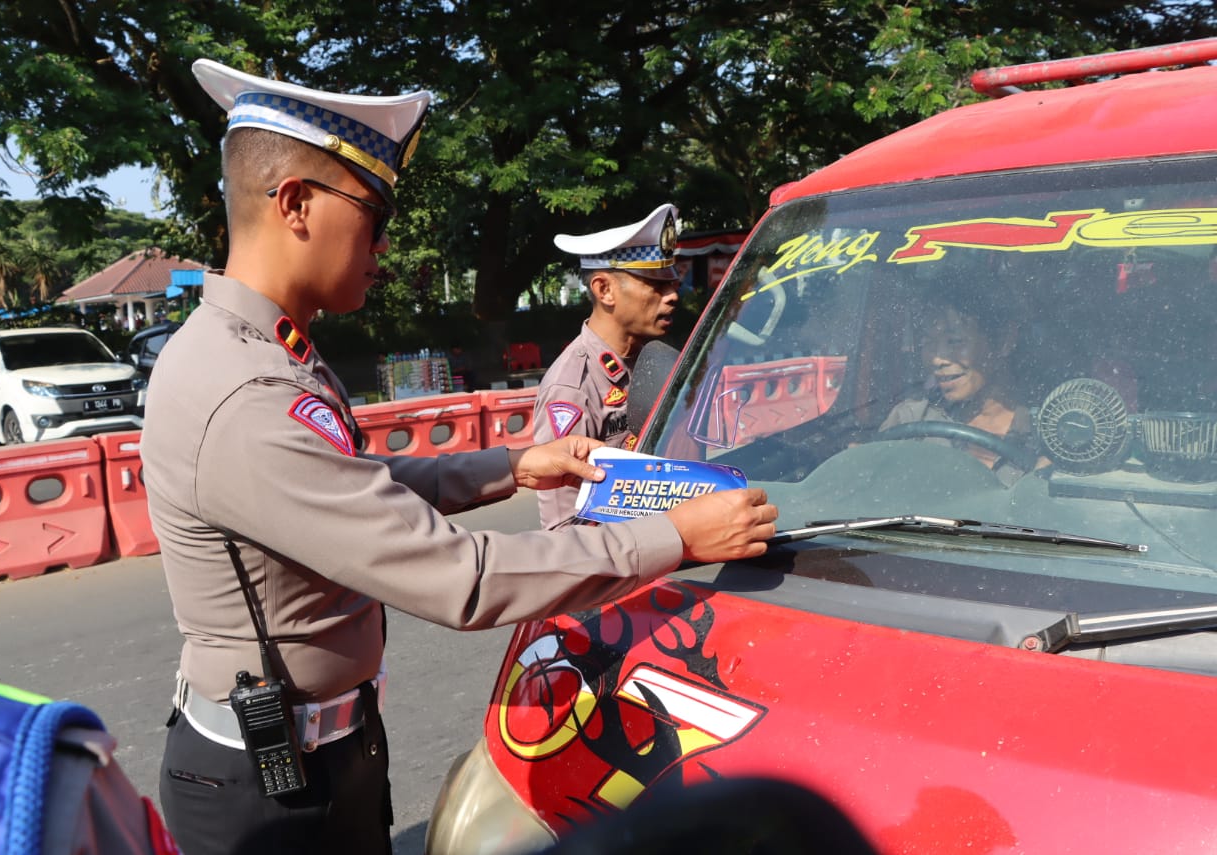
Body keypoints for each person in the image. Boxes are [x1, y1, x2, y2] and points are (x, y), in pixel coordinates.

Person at [140, 59, 778, 855]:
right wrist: (676, 537)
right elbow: (460, 579)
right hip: (266, 785)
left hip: (323, 752)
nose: (383, 243)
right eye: (371, 214)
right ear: (295, 204)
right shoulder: (240, 391)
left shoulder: (273, 353)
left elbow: (351, 488)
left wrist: (512, 466)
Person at [533, 204, 682, 528]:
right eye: (656, 284)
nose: (672, 296)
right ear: (605, 290)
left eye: (673, 285)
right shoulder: (573, 386)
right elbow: (565, 527)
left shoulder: (655, 359)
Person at [879, 285, 1042, 485]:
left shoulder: (1050, 432)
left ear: (1004, 341)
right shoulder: (910, 420)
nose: (937, 359)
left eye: (955, 341)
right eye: (928, 342)